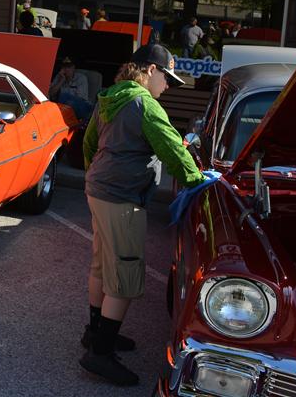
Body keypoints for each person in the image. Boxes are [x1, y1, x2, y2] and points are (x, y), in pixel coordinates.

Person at [79, 44, 205, 387]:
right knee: (125, 276)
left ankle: (96, 332)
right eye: (168, 79)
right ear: (151, 70)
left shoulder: (110, 96)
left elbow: (89, 142)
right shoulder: (144, 104)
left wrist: (96, 176)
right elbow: (171, 147)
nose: (168, 87)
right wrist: (198, 182)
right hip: (122, 198)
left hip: (99, 190)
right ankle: (100, 354)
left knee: (102, 266)